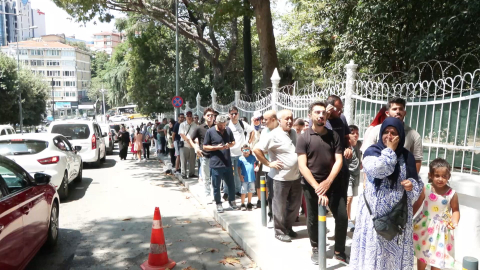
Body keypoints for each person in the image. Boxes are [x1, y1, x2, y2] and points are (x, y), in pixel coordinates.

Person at [350, 117, 423, 269]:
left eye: (394, 133)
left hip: (398, 220)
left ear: (401, 136)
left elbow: (418, 183)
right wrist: (390, 151)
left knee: (393, 260)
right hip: (374, 220)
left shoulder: (407, 156)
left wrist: (412, 186)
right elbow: (380, 170)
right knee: (374, 256)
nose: (389, 136)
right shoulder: (372, 152)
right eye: (386, 132)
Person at [296, 101, 347, 264]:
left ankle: (339, 250)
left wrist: (328, 182)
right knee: (313, 218)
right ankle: (316, 248)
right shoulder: (304, 138)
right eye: (317, 112)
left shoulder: (334, 136)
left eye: (323, 113)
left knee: (342, 216)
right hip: (312, 186)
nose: (321, 115)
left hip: (333, 183)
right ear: (310, 115)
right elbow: (302, 166)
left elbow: (339, 161)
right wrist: (318, 187)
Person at [254, 110, 302, 242]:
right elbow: (257, 149)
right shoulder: (273, 135)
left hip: (296, 177)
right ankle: (279, 231)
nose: (289, 121)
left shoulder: (293, 133)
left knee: (295, 205)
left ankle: (288, 227)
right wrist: (269, 163)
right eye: (286, 119)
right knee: (279, 207)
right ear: (279, 120)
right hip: (280, 178)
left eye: (291, 118)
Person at [413, 158, 460, 270]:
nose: (440, 179)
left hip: (442, 231)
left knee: (438, 259)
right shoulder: (426, 188)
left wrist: (454, 221)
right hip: (424, 228)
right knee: (423, 254)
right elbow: (418, 203)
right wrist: (409, 216)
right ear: (430, 175)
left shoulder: (452, 194)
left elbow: (456, 210)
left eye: (444, 176)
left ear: (448, 176)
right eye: (437, 175)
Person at [362, 97, 423, 173]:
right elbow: (367, 156)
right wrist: (365, 181)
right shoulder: (375, 131)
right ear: (387, 113)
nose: (398, 112)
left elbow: (417, 160)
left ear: (405, 113)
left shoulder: (413, 135)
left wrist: (412, 180)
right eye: (394, 109)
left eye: (401, 109)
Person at [203, 114, 237, 213]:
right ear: (216, 123)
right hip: (216, 163)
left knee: (231, 184)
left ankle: (232, 200)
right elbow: (205, 147)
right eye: (221, 125)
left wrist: (229, 145)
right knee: (216, 185)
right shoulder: (210, 132)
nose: (223, 127)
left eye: (224, 125)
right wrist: (216, 147)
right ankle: (218, 203)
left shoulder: (228, 130)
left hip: (227, 162)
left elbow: (233, 142)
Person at [187, 107, 216, 202]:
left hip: (217, 156)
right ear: (204, 116)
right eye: (208, 115)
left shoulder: (217, 127)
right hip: (205, 156)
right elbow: (190, 139)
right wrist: (196, 148)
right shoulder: (200, 128)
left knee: (216, 177)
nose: (210, 117)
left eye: (212, 115)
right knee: (206, 177)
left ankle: (216, 195)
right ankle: (207, 195)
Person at [254, 110, 278, 227]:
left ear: (273, 119)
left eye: (265, 119)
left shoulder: (282, 130)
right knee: (271, 194)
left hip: (284, 169)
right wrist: (267, 163)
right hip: (269, 168)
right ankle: (271, 216)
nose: (263, 122)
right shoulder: (264, 132)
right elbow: (261, 149)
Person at [227, 106, 255, 197]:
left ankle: (238, 190)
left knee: (239, 174)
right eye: (232, 114)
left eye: (235, 113)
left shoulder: (242, 124)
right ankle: (227, 192)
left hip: (240, 154)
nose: (234, 115)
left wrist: (248, 143)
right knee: (228, 174)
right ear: (229, 115)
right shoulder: (227, 124)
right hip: (229, 153)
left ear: (238, 114)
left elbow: (252, 131)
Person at [346, 125, 362, 231]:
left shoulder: (359, 144)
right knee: (349, 197)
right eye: (353, 133)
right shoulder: (346, 146)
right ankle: (347, 220)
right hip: (348, 175)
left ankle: (348, 218)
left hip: (356, 174)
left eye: (357, 132)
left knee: (351, 199)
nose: (355, 135)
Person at [238, 144, 257, 211]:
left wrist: (257, 166)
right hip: (244, 178)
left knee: (250, 191)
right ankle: (242, 203)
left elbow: (257, 162)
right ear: (241, 150)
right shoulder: (240, 158)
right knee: (243, 192)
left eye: (247, 150)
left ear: (249, 150)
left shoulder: (252, 157)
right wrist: (240, 175)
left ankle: (249, 203)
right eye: (244, 150)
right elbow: (238, 168)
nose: (246, 151)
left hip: (251, 178)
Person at [179, 111, 198, 179]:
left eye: (190, 116)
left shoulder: (195, 125)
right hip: (184, 145)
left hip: (192, 145)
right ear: (186, 117)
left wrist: (193, 143)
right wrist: (189, 141)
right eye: (188, 116)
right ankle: (183, 174)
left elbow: (196, 134)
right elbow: (182, 134)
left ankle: (191, 173)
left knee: (192, 160)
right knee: (183, 160)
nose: (189, 117)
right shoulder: (182, 125)